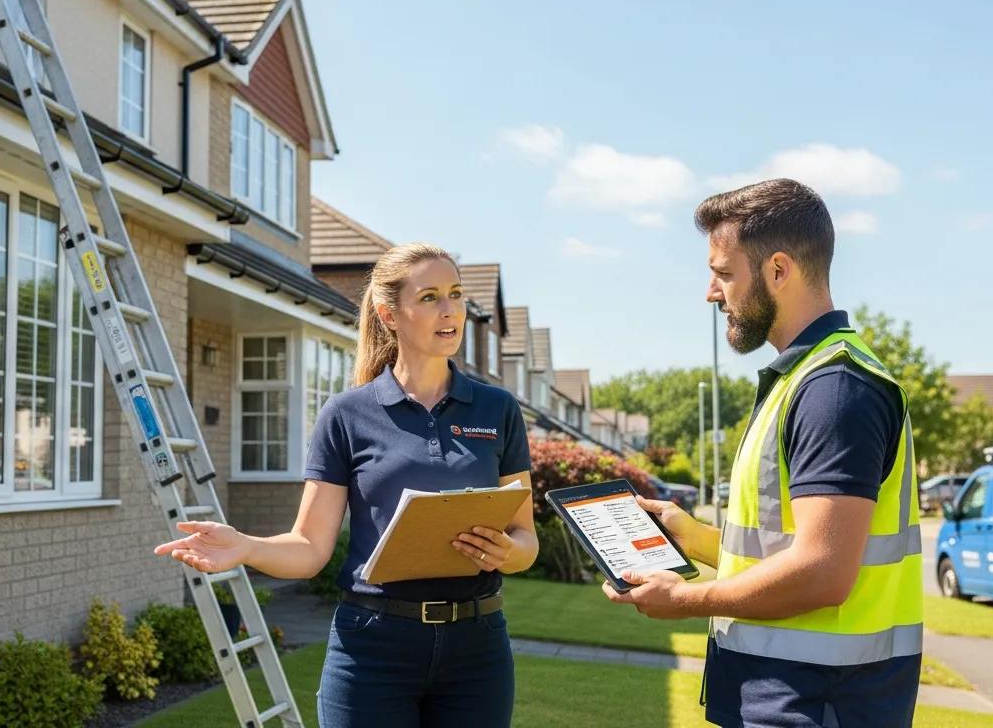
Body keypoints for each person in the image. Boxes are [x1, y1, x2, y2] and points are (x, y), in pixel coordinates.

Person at [154, 242, 538, 728]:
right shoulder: (346, 414)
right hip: (372, 647)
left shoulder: (498, 408)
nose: (450, 310)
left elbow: (526, 540)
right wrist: (246, 547)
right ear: (389, 315)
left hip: (477, 650)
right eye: (430, 297)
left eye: (456, 294)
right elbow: (310, 547)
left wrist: (507, 552)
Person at [605, 179, 922, 727]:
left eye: (725, 274)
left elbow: (823, 572)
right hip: (794, 697)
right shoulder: (806, 378)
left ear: (778, 270)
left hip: (818, 704)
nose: (712, 292)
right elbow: (788, 547)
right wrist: (692, 537)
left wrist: (685, 601)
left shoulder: (834, 388)